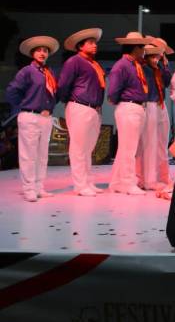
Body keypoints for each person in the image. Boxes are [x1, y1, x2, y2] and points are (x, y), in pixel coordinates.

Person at [6, 36, 60, 202]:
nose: (42, 53)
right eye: (39, 50)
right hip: (30, 115)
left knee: (42, 154)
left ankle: (39, 186)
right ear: (32, 53)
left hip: (45, 117)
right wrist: (23, 105)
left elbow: (53, 94)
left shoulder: (49, 72)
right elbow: (11, 91)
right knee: (28, 155)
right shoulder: (27, 71)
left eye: (45, 50)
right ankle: (28, 188)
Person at [57, 28, 106, 197]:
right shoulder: (74, 61)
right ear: (80, 46)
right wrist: (69, 101)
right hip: (80, 106)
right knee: (78, 147)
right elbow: (63, 85)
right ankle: (80, 184)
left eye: (95, 43)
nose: (94, 46)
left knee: (88, 148)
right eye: (90, 43)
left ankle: (87, 181)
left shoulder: (94, 64)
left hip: (94, 108)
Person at [107, 31, 153, 195]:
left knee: (126, 148)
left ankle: (117, 182)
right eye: (142, 47)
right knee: (129, 149)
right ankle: (127, 183)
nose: (144, 51)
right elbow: (113, 90)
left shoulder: (135, 65)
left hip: (137, 107)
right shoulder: (122, 65)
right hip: (128, 107)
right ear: (135, 48)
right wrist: (115, 99)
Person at [136, 38, 172, 191]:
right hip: (149, 104)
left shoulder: (159, 69)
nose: (155, 58)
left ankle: (162, 176)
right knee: (148, 144)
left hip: (160, 104)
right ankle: (147, 179)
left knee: (162, 142)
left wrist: (164, 64)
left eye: (158, 55)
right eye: (153, 55)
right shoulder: (143, 68)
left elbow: (167, 81)